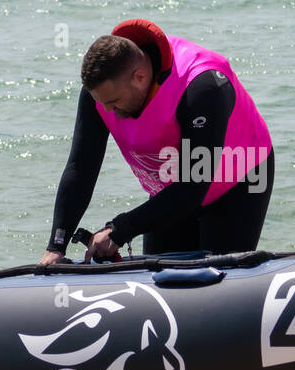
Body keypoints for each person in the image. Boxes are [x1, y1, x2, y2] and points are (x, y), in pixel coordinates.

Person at [39, 19, 274, 265]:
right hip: (172, 187)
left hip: (237, 182)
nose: (109, 111)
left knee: (214, 278)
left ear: (140, 77)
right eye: (103, 103)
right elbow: (81, 167)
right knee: (161, 282)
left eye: (115, 102)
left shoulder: (204, 87)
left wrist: (119, 229)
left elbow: (192, 187)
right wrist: (56, 245)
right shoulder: (103, 93)